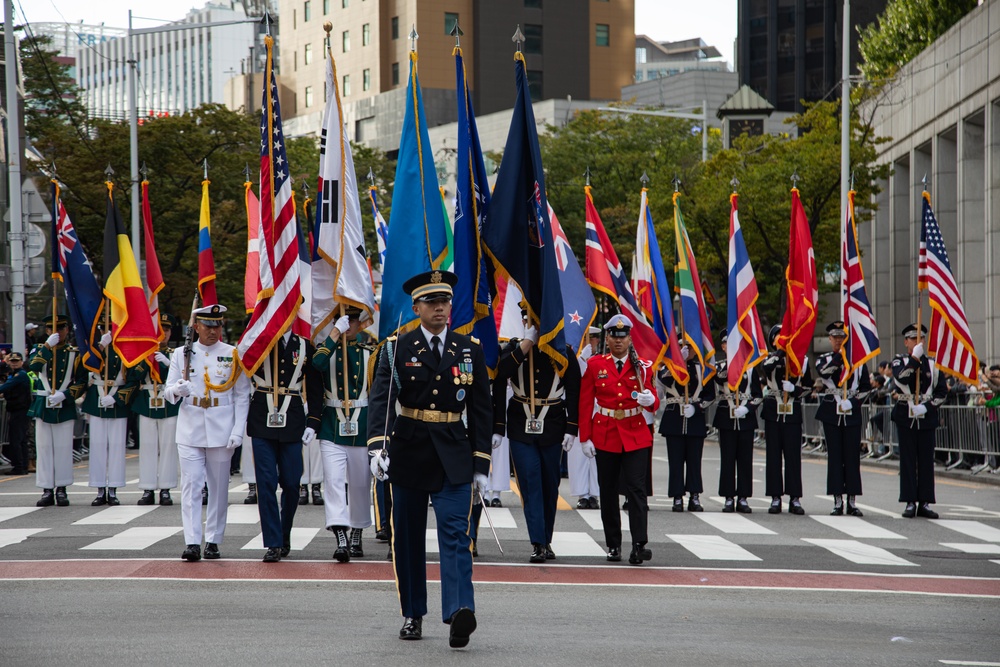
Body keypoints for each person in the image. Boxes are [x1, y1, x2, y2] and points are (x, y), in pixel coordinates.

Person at [367, 270, 491, 647]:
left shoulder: (469, 349)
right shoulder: (395, 348)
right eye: (432, 302)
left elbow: (483, 409)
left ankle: (459, 612)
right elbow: (382, 400)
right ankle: (412, 614)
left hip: (453, 450)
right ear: (416, 307)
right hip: (409, 449)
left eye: (445, 301)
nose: (441, 308)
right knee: (406, 538)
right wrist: (376, 446)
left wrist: (481, 463)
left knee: (457, 535)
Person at [163, 304, 250, 561]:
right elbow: (167, 393)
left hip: (222, 427)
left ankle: (213, 539)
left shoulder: (232, 353)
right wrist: (178, 390)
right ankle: (192, 541)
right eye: (208, 326)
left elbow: (242, 395)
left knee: (219, 487)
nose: (214, 331)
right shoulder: (182, 354)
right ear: (196, 327)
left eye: (218, 325)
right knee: (191, 486)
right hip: (190, 427)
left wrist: (238, 430)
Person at [494, 305, 580, 563]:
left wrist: (572, 427)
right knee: (530, 483)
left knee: (549, 485)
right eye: (528, 319)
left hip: (552, 424)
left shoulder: (563, 351)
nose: (533, 324)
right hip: (521, 425)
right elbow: (500, 376)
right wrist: (526, 345)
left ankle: (547, 538)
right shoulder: (513, 349)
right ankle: (538, 542)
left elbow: (575, 388)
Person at [578, 314, 659, 565]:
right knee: (609, 491)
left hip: (635, 432)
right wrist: (585, 438)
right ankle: (613, 545)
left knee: (636, 490)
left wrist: (650, 401)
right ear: (608, 338)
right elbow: (585, 402)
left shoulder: (643, 366)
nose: (618, 341)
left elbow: (653, 397)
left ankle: (638, 544)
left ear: (629, 338)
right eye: (613, 336)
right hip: (606, 433)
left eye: (622, 337)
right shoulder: (595, 365)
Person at [246, 318, 322, 563]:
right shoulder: (257, 341)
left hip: (292, 419)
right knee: (266, 483)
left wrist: (314, 421)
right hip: (261, 418)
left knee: (291, 483)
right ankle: (273, 542)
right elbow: (242, 361)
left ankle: (284, 532)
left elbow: (315, 385)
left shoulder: (304, 345)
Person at [313, 307, 375, 562]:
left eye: (354, 320)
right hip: (332, 424)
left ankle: (358, 531)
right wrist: (335, 332)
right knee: (335, 481)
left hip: (361, 424)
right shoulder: (328, 349)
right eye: (346, 319)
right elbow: (316, 363)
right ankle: (341, 535)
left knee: (361, 484)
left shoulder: (369, 352)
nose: (350, 324)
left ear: (362, 324)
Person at [814, 321, 873, 516]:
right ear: (830, 339)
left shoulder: (858, 362)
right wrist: (841, 357)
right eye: (835, 337)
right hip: (832, 413)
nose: (839, 340)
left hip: (851, 413)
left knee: (851, 458)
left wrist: (854, 403)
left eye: (842, 337)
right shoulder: (824, 359)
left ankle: (852, 500)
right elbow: (824, 372)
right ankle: (837, 500)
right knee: (835, 458)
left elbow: (866, 388)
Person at [28, 314, 85, 507]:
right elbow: (33, 366)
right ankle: (46, 489)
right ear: (47, 331)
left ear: (67, 330)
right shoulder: (39, 349)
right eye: (52, 329)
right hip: (44, 404)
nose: (57, 332)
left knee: (63, 448)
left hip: (63, 403)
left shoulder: (73, 353)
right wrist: (46, 347)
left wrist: (66, 394)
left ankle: (61, 488)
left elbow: (81, 382)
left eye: (61, 329)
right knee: (44, 449)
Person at [891, 323, 947, 519]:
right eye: (913, 338)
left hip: (926, 417)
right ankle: (909, 501)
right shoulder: (899, 361)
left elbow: (941, 393)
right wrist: (914, 358)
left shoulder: (933, 364)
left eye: (921, 338)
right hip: (905, 417)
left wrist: (927, 407)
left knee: (925, 461)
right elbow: (901, 379)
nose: (918, 341)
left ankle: (924, 502)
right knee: (907, 460)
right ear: (906, 341)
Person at [758, 324, 812, 515]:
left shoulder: (802, 361)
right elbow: (766, 368)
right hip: (774, 412)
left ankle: (795, 497)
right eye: (780, 337)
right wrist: (782, 351)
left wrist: (794, 390)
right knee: (773, 456)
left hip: (792, 413)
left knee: (793, 457)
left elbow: (808, 389)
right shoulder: (770, 358)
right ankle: (775, 497)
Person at [80, 329, 137, 506]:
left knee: (116, 448)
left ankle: (113, 488)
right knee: (97, 447)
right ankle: (99, 489)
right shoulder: (95, 349)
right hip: (96, 400)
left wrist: (117, 397)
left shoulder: (127, 350)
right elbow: (84, 367)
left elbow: (134, 380)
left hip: (117, 403)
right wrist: (100, 346)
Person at [657, 341, 715, 512]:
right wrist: (677, 363)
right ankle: (676, 497)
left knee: (694, 461)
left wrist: (698, 407)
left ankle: (694, 496)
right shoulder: (669, 366)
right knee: (675, 461)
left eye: (690, 347)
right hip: (674, 418)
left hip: (694, 418)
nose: (687, 350)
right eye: (683, 347)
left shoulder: (703, 368)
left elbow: (710, 394)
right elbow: (663, 380)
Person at [128, 315, 180, 505]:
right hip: (147, 402)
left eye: (166, 330)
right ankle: (148, 488)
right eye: (159, 330)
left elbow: (185, 377)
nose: (163, 334)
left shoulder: (176, 355)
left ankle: (166, 488)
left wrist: (168, 364)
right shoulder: (142, 354)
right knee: (148, 447)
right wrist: (147, 360)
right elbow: (132, 375)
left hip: (168, 403)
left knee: (168, 447)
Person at [712, 329, 763, 513]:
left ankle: (743, 497)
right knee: (727, 459)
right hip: (726, 416)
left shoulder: (750, 369)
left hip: (745, 419)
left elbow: (757, 395)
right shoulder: (719, 366)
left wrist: (747, 408)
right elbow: (719, 378)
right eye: (727, 343)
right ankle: (728, 497)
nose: (730, 346)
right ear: (723, 346)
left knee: (744, 459)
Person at [568, 326, 602, 510]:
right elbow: (574, 380)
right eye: (589, 338)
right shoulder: (575, 359)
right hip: (580, 410)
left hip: (598, 410)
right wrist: (581, 360)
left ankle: (595, 494)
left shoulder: (602, 359)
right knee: (578, 456)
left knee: (596, 456)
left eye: (595, 338)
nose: (593, 342)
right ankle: (583, 494)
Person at [0, 352, 32, 475]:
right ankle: (22, 465)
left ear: (21, 362)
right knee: (21, 439)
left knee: (17, 439)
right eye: (12, 361)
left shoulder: (20, 375)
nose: (14, 363)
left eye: (16, 361)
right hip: (17, 409)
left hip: (20, 410)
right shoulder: (14, 374)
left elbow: (7, 386)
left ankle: (19, 466)